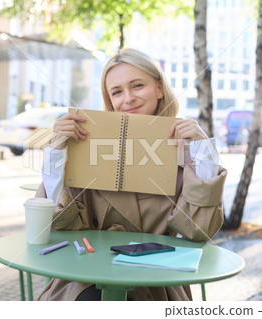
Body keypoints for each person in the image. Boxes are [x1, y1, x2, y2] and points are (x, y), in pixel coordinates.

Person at [36, 48, 227, 301]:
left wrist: (204, 152)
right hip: (85, 277)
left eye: (137, 85)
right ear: (110, 100)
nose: (128, 98)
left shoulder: (187, 147)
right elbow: (55, 224)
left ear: (159, 89)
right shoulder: (87, 144)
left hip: (156, 279)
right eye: (117, 92)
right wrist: (56, 152)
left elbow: (199, 230)